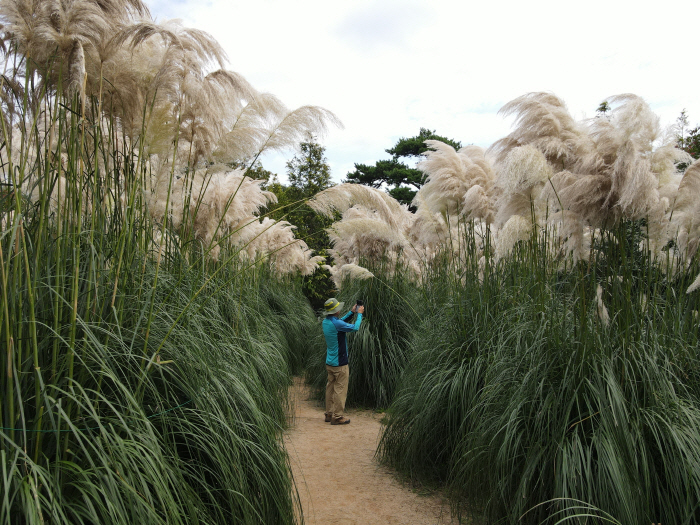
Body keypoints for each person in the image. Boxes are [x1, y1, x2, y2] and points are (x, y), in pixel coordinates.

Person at [322, 297, 364, 425]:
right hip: (340, 364)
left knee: (330, 388)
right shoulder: (337, 324)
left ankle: (329, 414)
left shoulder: (326, 321)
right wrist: (360, 315)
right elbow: (355, 328)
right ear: (335, 311)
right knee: (340, 390)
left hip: (330, 362)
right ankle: (338, 417)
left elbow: (339, 323)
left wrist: (352, 313)